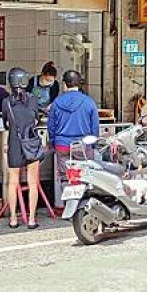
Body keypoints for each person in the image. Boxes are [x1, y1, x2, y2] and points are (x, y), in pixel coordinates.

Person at [47, 70, 99, 209]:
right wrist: (93, 146)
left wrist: (53, 142)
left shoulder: (57, 103)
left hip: (62, 146)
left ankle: (69, 205)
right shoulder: (89, 102)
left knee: (65, 177)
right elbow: (95, 128)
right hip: (83, 146)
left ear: (65, 85)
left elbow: (51, 126)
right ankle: (82, 207)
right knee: (84, 176)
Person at [2, 68, 41, 229]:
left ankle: (13, 219)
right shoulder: (33, 99)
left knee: (13, 182)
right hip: (30, 142)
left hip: (14, 143)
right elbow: (37, 120)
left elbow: (6, 124)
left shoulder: (6, 102)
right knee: (33, 182)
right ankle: (31, 220)